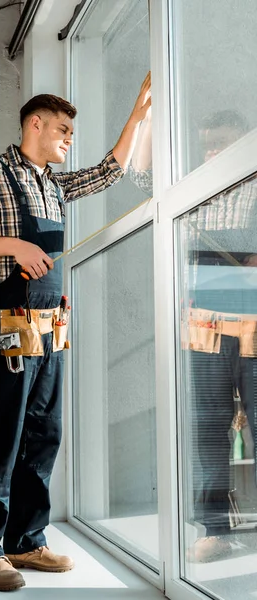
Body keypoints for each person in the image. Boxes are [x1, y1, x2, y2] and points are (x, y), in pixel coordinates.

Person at [0, 73, 151, 592]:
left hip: (50, 322)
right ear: (35, 123)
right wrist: (15, 247)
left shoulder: (52, 183)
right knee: (0, 435)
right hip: (6, 322)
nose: (68, 139)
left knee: (43, 433)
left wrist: (138, 116)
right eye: (62, 129)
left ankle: (26, 541)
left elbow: (107, 173)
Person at [129, 109, 257, 564]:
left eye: (222, 141)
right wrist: (146, 113)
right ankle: (215, 530)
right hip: (204, 329)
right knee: (206, 432)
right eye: (207, 143)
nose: (213, 151)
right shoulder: (196, 190)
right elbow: (139, 175)